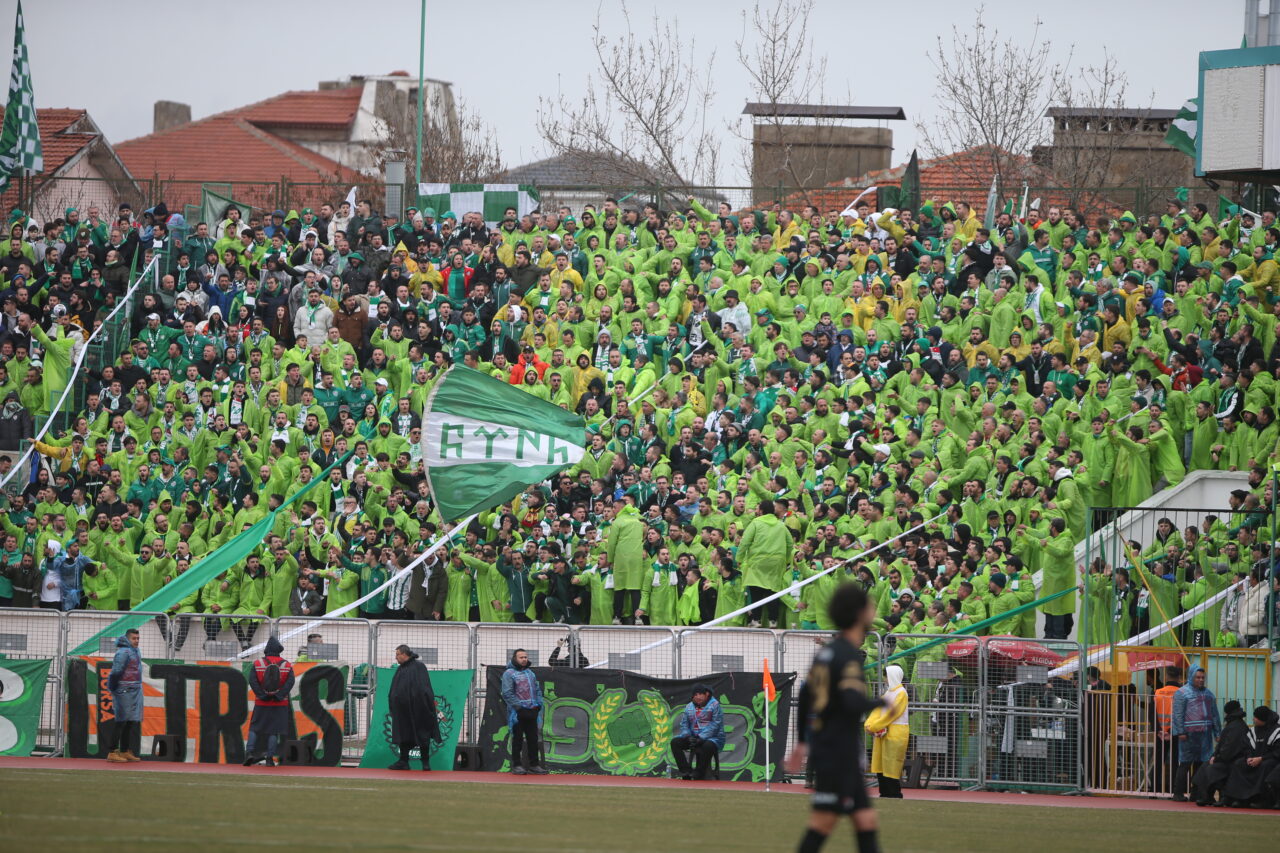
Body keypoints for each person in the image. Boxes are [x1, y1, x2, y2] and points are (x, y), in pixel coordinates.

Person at [787, 583, 890, 853]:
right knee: (822, 823)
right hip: (837, 752)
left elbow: (805, 696)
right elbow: (851, 701)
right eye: (869, 605)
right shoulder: (847, 657)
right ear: (859, 613)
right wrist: (882, 702)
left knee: (865, 820)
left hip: (829, 748)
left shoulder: (826, 653)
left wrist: (801, 742)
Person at [387, 644, 442, 770]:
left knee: (423, 733)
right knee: (404, 734)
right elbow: (395, 689)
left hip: (419, 709)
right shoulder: (400, 669)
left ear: (404, 654)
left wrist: (420, 703)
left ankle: (425, 763)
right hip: (403, 711)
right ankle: (403, 761)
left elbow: (424, 688)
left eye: (397, 654)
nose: (396, 658)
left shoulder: (419, 666)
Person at [1170, 664, 1220, 801]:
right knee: (1185, 763)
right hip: (1188, 734)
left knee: (1202, 764)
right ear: (1191, 676)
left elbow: (1214, 715)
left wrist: (1218, 733)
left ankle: (1196, 793)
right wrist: (1180, 731)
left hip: (1205, 734)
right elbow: (1178, 714)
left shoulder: (1208, 694)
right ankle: (1178, 793)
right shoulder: (1181, 693)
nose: (1201, 680)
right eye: (1198, 677)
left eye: (1203, 677)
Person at [244, 636, 295, 767]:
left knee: (255, 728)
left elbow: (253, 682)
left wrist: (262, 695)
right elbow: (290, 683)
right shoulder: (286, 664)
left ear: (266, 650)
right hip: (280, 703)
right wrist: (278, 696)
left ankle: (249, 753)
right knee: (274, 731)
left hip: (261, 702)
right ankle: (269, 758)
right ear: (279, 650)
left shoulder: (257, 664)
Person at [1191, 700, 1248, 806]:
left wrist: (1217, 758)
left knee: (1212, 768)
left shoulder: (1235, 726)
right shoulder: (1235, 724)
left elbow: (1229, 748)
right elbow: (1224, 746)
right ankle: (1207, 796)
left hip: (1231, 760)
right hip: (1227, 758)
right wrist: (1215, 756)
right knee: (1206, 766)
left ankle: (1218, 796)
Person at [500, 648, 547, 775]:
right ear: (515, 658)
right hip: (517, 714)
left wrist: (538, 705)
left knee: (533, 739)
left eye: (525, 657)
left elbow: (537, 690)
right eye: (521, 657)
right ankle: (517, 765)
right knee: (517, 739)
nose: (524, 659)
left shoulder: (530, 673)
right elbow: (507, 693)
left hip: (532, 711)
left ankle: (534, 765)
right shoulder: (509, 673)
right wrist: (519, 708)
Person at [866, 664, 909, 798]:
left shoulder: (901, 693)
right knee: (880, 763)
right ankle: (884, 791)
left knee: (892, 763)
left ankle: (894, 793)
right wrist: (870, 723)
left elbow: (893, 713)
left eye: (886, 676)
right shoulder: (888, 693)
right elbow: (877, 710)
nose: (885, 679)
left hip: (895, 731)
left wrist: (874, 726)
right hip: (882, 731)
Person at [1223, 705, 1280, 807]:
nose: (1253, 719)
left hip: (1270, 760)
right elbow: (1246, 747)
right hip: (1253, 759)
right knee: (1239, 764)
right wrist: (1249, 757)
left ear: (1263, 719)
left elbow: (1277, 752)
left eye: (1256, 717)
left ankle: (1261, 799)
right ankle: (1238, 798)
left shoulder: (1277, 731)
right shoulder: (1253, 731)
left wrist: (1261, 759)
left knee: (1265, 766)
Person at [670, 683, 725, 780]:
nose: (697, 697)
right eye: (695, 695)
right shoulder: (689, 707)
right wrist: (688, 737)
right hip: (693, 737)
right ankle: (686, 771)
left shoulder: (715, 705)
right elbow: (684, 724)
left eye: (700, 694)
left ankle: (699, 772)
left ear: (707, 694)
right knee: (675, 742)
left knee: (707, 746)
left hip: (713, 738)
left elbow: (716, 724)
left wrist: (701, 738)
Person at [106, 628, 143, 763]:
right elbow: (116, 671)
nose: (137, 641)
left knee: (130, 721)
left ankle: (125, 750)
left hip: (135, 688)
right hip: (124, 689)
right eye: (134, 638)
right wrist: (113, 687)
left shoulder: (136, 651)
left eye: (138, 638)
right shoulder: (123, 652)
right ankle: (112, 751)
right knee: (121, 721)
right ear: (127, 639)